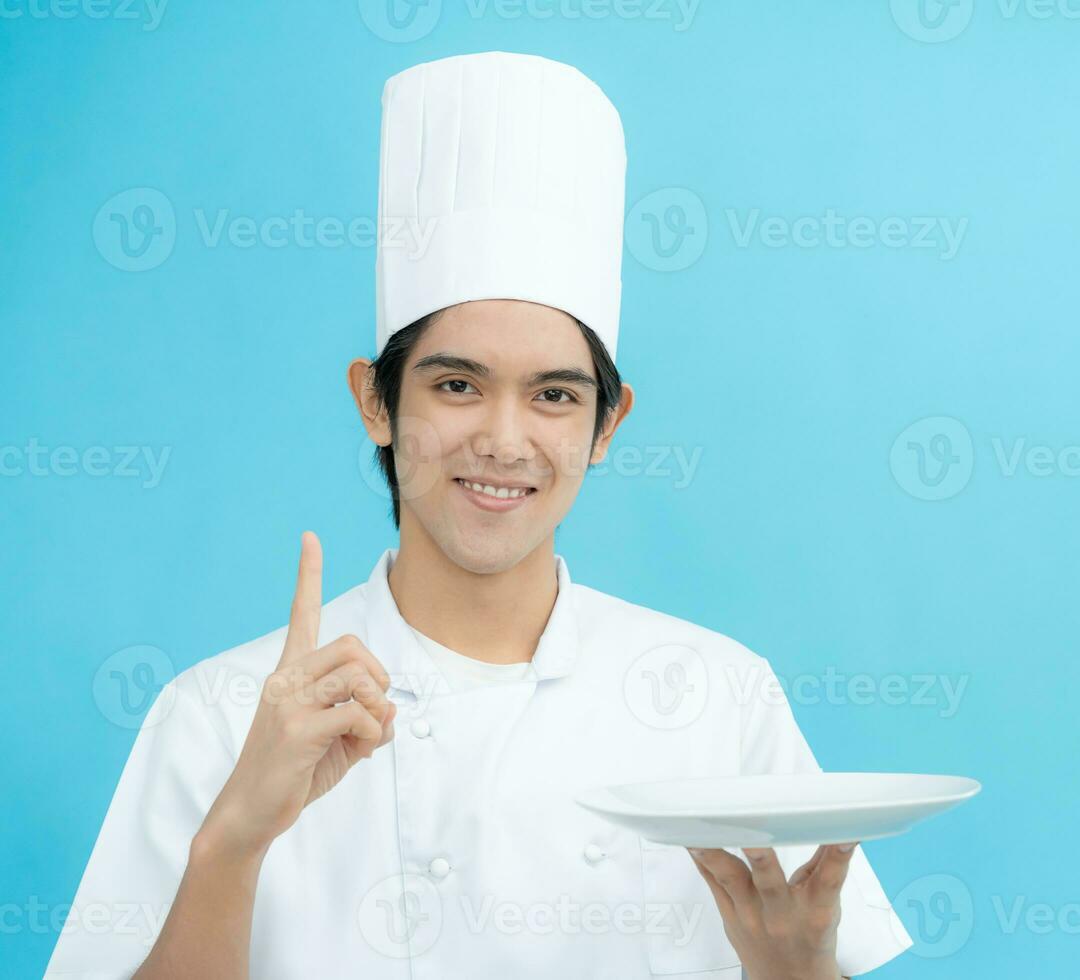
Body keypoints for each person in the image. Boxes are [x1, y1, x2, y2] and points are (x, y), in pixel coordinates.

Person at [44, 51, 913, 979]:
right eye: (457, 384)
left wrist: (796, 971)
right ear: (375, 403)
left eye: (553, 396)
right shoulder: (221, 714)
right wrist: (232, 844)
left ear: (606, 424)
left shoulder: (716, 693)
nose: (504, 441)